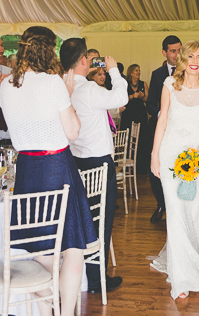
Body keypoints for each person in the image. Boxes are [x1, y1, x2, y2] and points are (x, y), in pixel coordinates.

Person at [0, 26, 95, 316]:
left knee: (40, 250)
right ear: (50, 50)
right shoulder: (54, 83)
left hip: (27, 169)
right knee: (73, 248)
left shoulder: (5, 84)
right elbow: (73, 131)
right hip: (57, 167)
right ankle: (64, 313)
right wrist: (66, 96)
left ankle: (47, 308)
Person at [149, 40, 199, 299]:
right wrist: (155, 154)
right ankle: (181, 276)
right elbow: (163, 120)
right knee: (176, 212)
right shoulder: (170, 84)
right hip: (170, 155)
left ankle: (194, 258)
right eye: (191, 56)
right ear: (182, 59)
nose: (195, 61)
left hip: (197, 157)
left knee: (193, 210)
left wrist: (196, 156)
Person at [59, 38, 128, 295]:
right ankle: (97, 279)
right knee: (102, 220)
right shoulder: (87, 89)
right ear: (84, 61)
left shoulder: (63, 88)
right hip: (98, 164)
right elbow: (122, 98)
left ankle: (86, 274)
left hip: (75, 161)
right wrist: (113, 70)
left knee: (83, 218)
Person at [146, 35, 182, 223]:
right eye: (173, 51)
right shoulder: (157, 74)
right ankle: (161, 203)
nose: (177, 54)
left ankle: (177, 206)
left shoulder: (188, 73)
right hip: (160, 128)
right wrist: (161, 115)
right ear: (164, 53)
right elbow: (150, 103)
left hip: (181, 130)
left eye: (179, 50)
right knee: (156, 170)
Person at [120, 64, 149, 173]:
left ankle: (141, 166)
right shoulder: (125, 85)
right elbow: (121, 100)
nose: (138, 72)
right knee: (128, 139)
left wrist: (142, 97)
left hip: (140, 114)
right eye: (136, 70)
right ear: (131, 72)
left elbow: (147, 100)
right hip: (128, 114)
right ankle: (128, 165)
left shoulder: (143, 84)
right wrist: (132, 96)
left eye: (139, 70)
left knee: (142, 139)